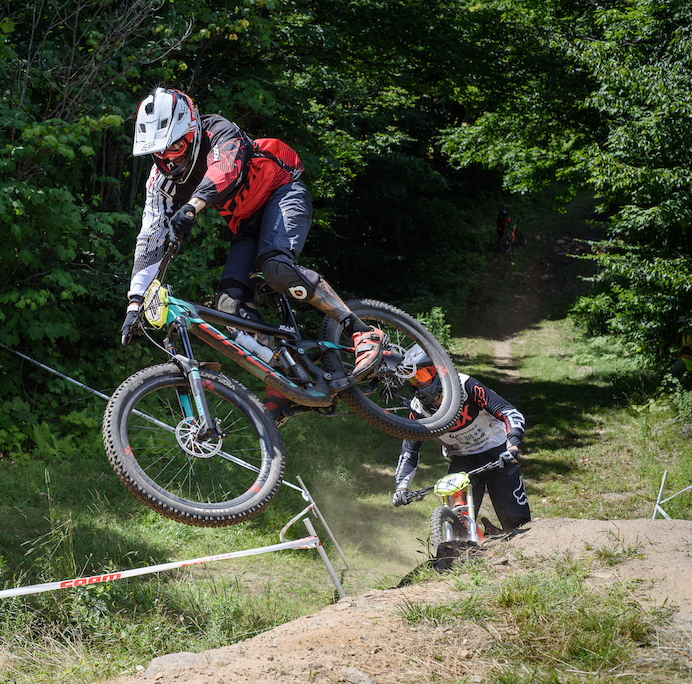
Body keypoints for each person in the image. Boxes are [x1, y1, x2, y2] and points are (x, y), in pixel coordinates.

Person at [119, 87, 385, 419]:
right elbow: (150, 238)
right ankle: (283, 377)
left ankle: (361, 330)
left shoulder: (217, 130)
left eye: (176, 146)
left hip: (281, 189)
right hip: (247, 222)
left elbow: (225, 171)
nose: (169, 159)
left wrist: (190, 208)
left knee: (274, 266)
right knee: (229, 306)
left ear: (191, 131)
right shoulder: (161, 182)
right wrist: (134, 302)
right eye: (159, 153)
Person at [391, 351, 532, 534]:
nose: (418, 383)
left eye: (422, 375)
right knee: (457, 524)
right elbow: (409, 450)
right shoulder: (417, 410)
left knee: (517, 523)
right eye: (412, 379)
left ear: (438, 371)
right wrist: (401, 487)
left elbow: (508, 412)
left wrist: (512, 444)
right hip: (462, 458)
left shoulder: (466, 386)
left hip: (497, 451)